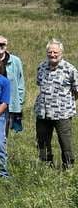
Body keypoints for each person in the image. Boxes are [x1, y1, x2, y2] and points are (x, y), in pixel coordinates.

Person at [35, 39, 78, 169]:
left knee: (65, 142)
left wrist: (67, 102)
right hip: (42, 112)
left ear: (61, 53)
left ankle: (68, 168)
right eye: (50, 52)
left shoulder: (70, 69)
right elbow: (39, 84)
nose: (52, 55)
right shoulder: (41, 67)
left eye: (55, 52)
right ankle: (46, 166)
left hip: (62, 114)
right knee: (42, 141)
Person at [0, 35, 25, 135]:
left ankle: (1, 150)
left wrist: (19, 102)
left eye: (2, 44)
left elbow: (20, 83)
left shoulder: (15, 61)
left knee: (3, 132)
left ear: (6, 45)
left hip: (8, 103)